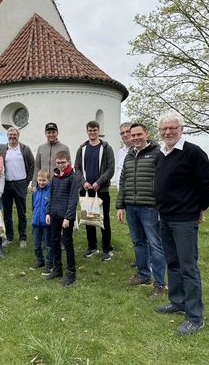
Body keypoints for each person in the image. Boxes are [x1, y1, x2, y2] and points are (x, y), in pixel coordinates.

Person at [153, 111, 209, 336]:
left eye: (172, 128)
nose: (168, 132)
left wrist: (199, 209)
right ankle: (177, 301)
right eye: (164, 129)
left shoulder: (193, 153)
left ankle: (194, 317)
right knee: (173, 263)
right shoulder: (162, 154)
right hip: (165, 218)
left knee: (188, 267)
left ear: (181, 129)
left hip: (184, 220)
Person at [115, 123, 167, 300]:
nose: (136, 138)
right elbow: (123, 182)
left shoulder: (157, 153)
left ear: (146, 134)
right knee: (138, 242)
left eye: (139, 134)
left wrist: (161, 206)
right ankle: (143, 274)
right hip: (131, 206)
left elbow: (163, 181)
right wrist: (120, 206)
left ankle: (160, 284)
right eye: (133, 135)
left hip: (150, 207)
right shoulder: (129, 156)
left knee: (155, 244)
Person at [74, 120, 116, 260]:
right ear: (87, 131)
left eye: (94, 130)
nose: (92, 133)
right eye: (90, 130)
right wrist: (83, 182)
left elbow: (111, 168)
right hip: (86, 189)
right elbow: (77, 168)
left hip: (101, 190)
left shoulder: (106, 148)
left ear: (98, 131)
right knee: (89, 219)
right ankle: (92, 247)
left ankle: (107, 248)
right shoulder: (82, 149)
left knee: (104, 220)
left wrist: (99, 182)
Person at [45, 151, 79, 287]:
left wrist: (68, 217)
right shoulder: (55, 177)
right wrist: (48, 212)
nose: (60, 165)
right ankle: (57, 268)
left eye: (63, 162)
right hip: (54, 214)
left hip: (66, 217)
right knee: (54, 241)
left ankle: (71, 273)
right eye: (58, 163)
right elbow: (51, 196)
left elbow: (73, 199)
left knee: (67, 242)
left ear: (68, 162)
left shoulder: (72, 178)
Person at [0, 127, 34, 249]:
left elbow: (32, 164)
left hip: (21, 184)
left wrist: (27, 181)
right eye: (10, 134)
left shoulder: (25, 149)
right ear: (7, 136)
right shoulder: (2, 149)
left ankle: (22, 238)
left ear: (18, 136)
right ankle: (9, 237)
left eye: (14, 134)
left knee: (21, 212)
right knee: (7, 213)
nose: (12, 136)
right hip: (7, 184)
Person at [114, 122, 139, 268]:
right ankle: (140, 258)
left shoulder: (140, 150)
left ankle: (149, 261)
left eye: (127, 132)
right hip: (126, 197)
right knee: (134, 231)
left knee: (146, 231)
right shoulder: (121, 152)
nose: (125, 135)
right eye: (122, 133)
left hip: (140, 198)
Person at [33, 123, 71, 191]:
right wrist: (34, 184)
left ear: (57, 133)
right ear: (45, 134)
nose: (51, 135)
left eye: (53, 132)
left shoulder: (64, 148)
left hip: (59, 183)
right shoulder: (41, 148)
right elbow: (37, 166)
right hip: (43, 183)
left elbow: (68, 166)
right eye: (49, 133)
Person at [30, 169, 53, 272]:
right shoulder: (35, 192)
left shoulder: (51, 192)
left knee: (48, 244)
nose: (41, 182)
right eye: (39, 180)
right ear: (36, 179)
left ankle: (49, 262)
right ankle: (40, 260)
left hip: (47, 223)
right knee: (36, 244)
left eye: (44, 180)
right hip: (36, 222)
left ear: (48, 180)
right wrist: (35, 217)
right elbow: (33, 206)